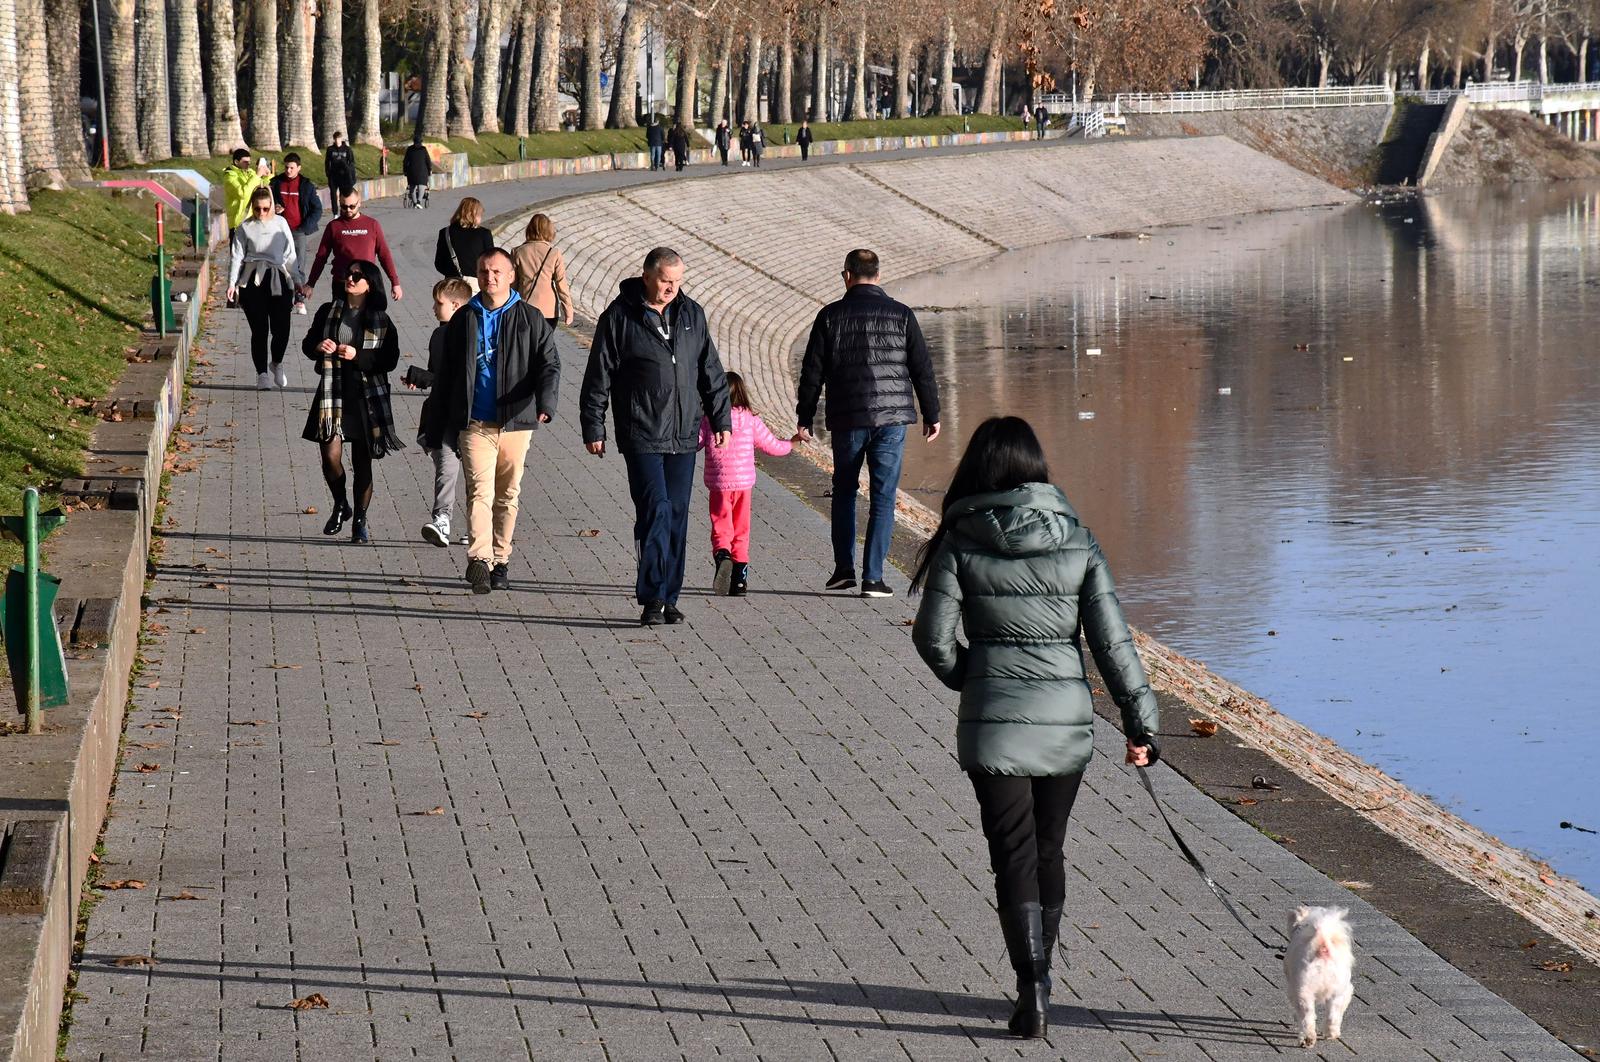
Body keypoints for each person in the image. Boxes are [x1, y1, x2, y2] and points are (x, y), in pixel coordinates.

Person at [909, 415, 1158, 1040]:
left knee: (1011, 854)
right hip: (1066, 725)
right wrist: (1141, 722)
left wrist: (977, 677)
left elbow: (932, 639)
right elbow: (1111, 642)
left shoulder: (962, 540)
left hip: (994, 728)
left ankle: (1031, 984)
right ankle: (1042, 976)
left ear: (980, 469)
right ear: (1037, 470)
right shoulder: (1077, 539)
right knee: (1049, 847)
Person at [580, 247, 732, 626]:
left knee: (677, 514)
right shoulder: (618, 317)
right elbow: (599, 375)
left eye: (678, 281)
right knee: (656, 510)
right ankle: (651, 597)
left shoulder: (691, 314)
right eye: (666, 281)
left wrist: (721, 419)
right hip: (641, 431)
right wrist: (593, 426)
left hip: (683, 433)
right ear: (647, 276)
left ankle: (669, 596)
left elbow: (709, 369)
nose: (672, 288)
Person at [795, 249, 941, 598]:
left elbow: (812, 372)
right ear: (877, 275)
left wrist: (804, 416)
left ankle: (843, 570)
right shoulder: (902, 315)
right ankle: (873, 578)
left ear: (846, 275)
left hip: (848, 417)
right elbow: (922, 368)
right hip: (891, 419)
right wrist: (932, 414)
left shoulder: (829, 316)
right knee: (883, 496)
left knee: (844, 491)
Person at [421, 249, 561, 595]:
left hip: (517, 420)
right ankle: (479, 560)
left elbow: (550, 364)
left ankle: (501, 559)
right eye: (484, 271)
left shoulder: (530, 317)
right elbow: (447, 375)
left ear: (511, 275)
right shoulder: (464, 318)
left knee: (507, 494)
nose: (490, 277)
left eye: (497, 271)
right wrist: (434, 424)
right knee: (480, 490)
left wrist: (546, 402)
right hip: (474, 422)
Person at [301, 260, 403, 544]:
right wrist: (318, 347)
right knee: (330, 457)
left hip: (365, 397)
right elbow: (308, 344)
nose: (351, 278)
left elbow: (389, 360)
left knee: (362, 462)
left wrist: (357, 356)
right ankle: (340, 504)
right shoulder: (328, 311)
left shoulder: (381, 320)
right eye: (349, 273)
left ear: (370, 284)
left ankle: (360, 518)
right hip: (333, 393)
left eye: (357, 276)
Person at [698, 372, 792, 597]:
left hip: (719, 484)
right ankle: (740, 580)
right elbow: (772, 446)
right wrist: (791, 444)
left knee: (721, 525)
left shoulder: (709, 420)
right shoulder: (750, 419)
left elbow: (694, 443)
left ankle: (722, 555)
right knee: (742, 529)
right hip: (743, 484)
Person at [409, 278, 475, 548]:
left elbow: (463, 375)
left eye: (439, 303)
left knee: (475, 472)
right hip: (443, 413)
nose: (434, 308)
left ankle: (477, 525)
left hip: (470, 415)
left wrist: (427, 377)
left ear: (456, 305)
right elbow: (439, 374)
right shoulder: (438, 334)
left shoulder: (473, 331)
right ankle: (442, 520)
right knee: (446, 467)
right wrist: (422, 378)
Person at [227, 186, 297, 390]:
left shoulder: (281, 223)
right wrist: (232, 283)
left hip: (277, 278)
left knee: (282, 328)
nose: (261, 213)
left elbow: (290, 253)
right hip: (252, 280)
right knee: (259, 330)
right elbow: (236, 256)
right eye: (257, 209)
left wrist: (297, 279)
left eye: (266, 209)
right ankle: (262, 374)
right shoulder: (245, 227)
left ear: (272, 207)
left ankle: (276, 362)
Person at [302, 189, 403, 303]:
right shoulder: (334, 226)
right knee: (338, 319)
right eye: (344, 207)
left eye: (352, 206)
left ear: (359, 203)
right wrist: (311, 283)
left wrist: (395, 283)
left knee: (369, 319)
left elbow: (384, 255)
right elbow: (321, 257)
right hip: (342, 284)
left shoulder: (372, 225)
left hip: (365, 284)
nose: (348, 210)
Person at [269, 152, 323, 315]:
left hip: (298, 231)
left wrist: (305, 227)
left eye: (292, 168)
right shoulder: (276, 183)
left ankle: (299, 299)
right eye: (286, 167)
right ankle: (280, 299)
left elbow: (317, 209)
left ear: (298, 168)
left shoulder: (306, 185)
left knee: (298, 266)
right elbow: (266, 202)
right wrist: (275, 209)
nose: (288, 170)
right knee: (279, 265)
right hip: (278, 231)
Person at [512, 213, 574, 328]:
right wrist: (568, 310)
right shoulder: (554, 253)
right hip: (549, 309)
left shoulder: (517, 252)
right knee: (545, 343)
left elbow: (513, 283)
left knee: (526, 342)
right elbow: (561, 284)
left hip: (525, 306)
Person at [434, 196, 495, 294]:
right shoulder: (484, 234)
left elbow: (439, 263)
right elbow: (491, 262)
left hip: (451, 285)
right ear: (474, 214)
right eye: (480, 215)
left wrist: (452, 274)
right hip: (476, 285)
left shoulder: (445, 232)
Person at [222, 147, 265, 232]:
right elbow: (242, 194)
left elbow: (262, 186)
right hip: (238, 223)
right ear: (236, 162)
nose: (248, 164)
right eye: (245, 162)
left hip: (253, 220)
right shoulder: (229, 177)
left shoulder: (251, 173)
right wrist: (256, 176)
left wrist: (267, 175)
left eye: (249, 162)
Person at [324, 131, 357, 197]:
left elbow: (351, 162)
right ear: (334, 139)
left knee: (343, 194)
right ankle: (335, 207)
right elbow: (327, 162)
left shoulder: (347, 149)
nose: (337, 141)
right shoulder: (330, 149)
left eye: (338, 139)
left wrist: (349, 173)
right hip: (333, 175)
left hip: (343, 176)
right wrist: (328, 173)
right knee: (333, 195)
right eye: (335, 139)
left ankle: (343, 206)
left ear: (341, 139)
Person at [403, 137, 432, 208]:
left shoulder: (409, 149)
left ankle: (415, 203)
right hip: (422, 171)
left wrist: (405, 170)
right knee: (421, 185)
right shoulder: (423, 149)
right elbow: (428, 160)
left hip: (411, 171)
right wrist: (430, 169)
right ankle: (418, 202)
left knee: (412, 186)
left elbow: (405, 161)